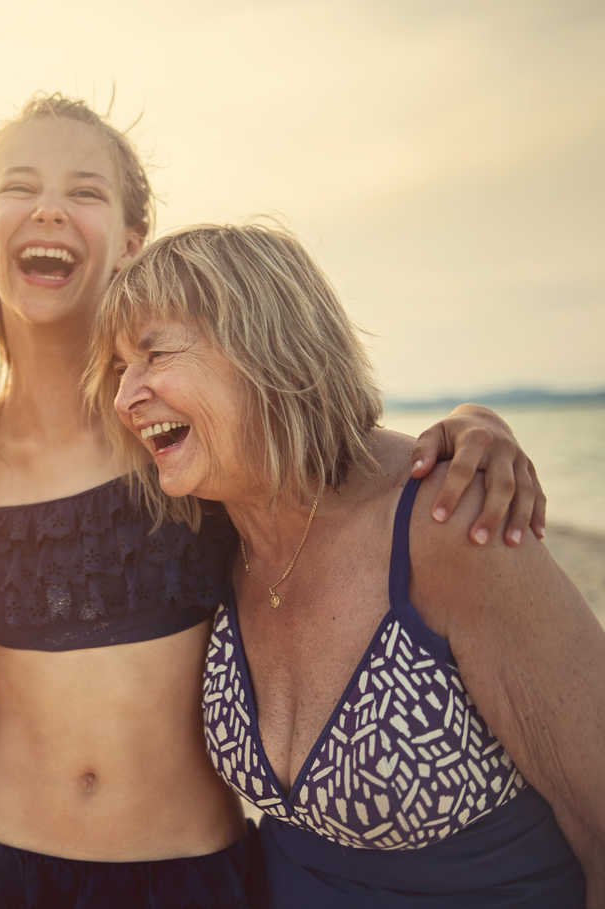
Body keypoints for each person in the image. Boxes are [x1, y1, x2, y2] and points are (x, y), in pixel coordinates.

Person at [0, 92, 547, 908]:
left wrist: (473, 426)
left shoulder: (181, 427)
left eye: (84, 190)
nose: (48, 208)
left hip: (184, 871)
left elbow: (335, 455)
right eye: (20, 186)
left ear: (131, 242)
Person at [91, 222, 604, 907]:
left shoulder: (446, 522)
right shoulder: (209, 539)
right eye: (119, 368)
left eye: (154, 354)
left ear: (264, 348)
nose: (125, 396)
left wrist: (481, 422)